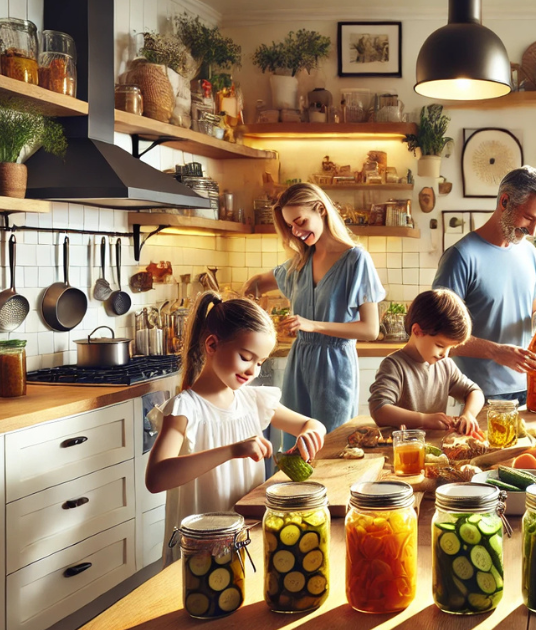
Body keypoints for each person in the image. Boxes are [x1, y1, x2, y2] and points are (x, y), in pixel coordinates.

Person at [145, 292, 326, 557]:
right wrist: (232, 450)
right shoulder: (185, 409)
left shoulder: (253, 400)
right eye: (245, 356)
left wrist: (311, 433)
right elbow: (156, 477)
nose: (253, 370)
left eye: (260, 362)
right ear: (212, 345)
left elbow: (312, 424)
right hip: (200, 547)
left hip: (244, 537)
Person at [243, 183, 385, 434]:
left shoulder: (356, 260)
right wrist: (253, 307)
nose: (296, 231)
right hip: (299, 362)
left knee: (328, 446)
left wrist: (313, 325)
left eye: (300, 221)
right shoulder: (299, 262)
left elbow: (370, 329)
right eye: (290, 226)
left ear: (321, 209)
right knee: (293, 446)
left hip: (335, 367)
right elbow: (256, 284)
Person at [432, 166, 536, 406]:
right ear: (505, 201)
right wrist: (495, 351)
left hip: (530, 387)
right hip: (477, 395)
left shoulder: (529, 253)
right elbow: (438, 338)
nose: (533, 231)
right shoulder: (461, 257)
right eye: (528, 217)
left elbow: (533, 312)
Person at [368, 289, 485, 437]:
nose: (445, 354)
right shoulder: (394, 366)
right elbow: (379, 409)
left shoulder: (445, 366)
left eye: (451, 348)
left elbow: (475, 392)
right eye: (440, 346)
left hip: (435, 450)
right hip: (402, 451)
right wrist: (423, 419)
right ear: (417, 331)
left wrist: (468, 414)